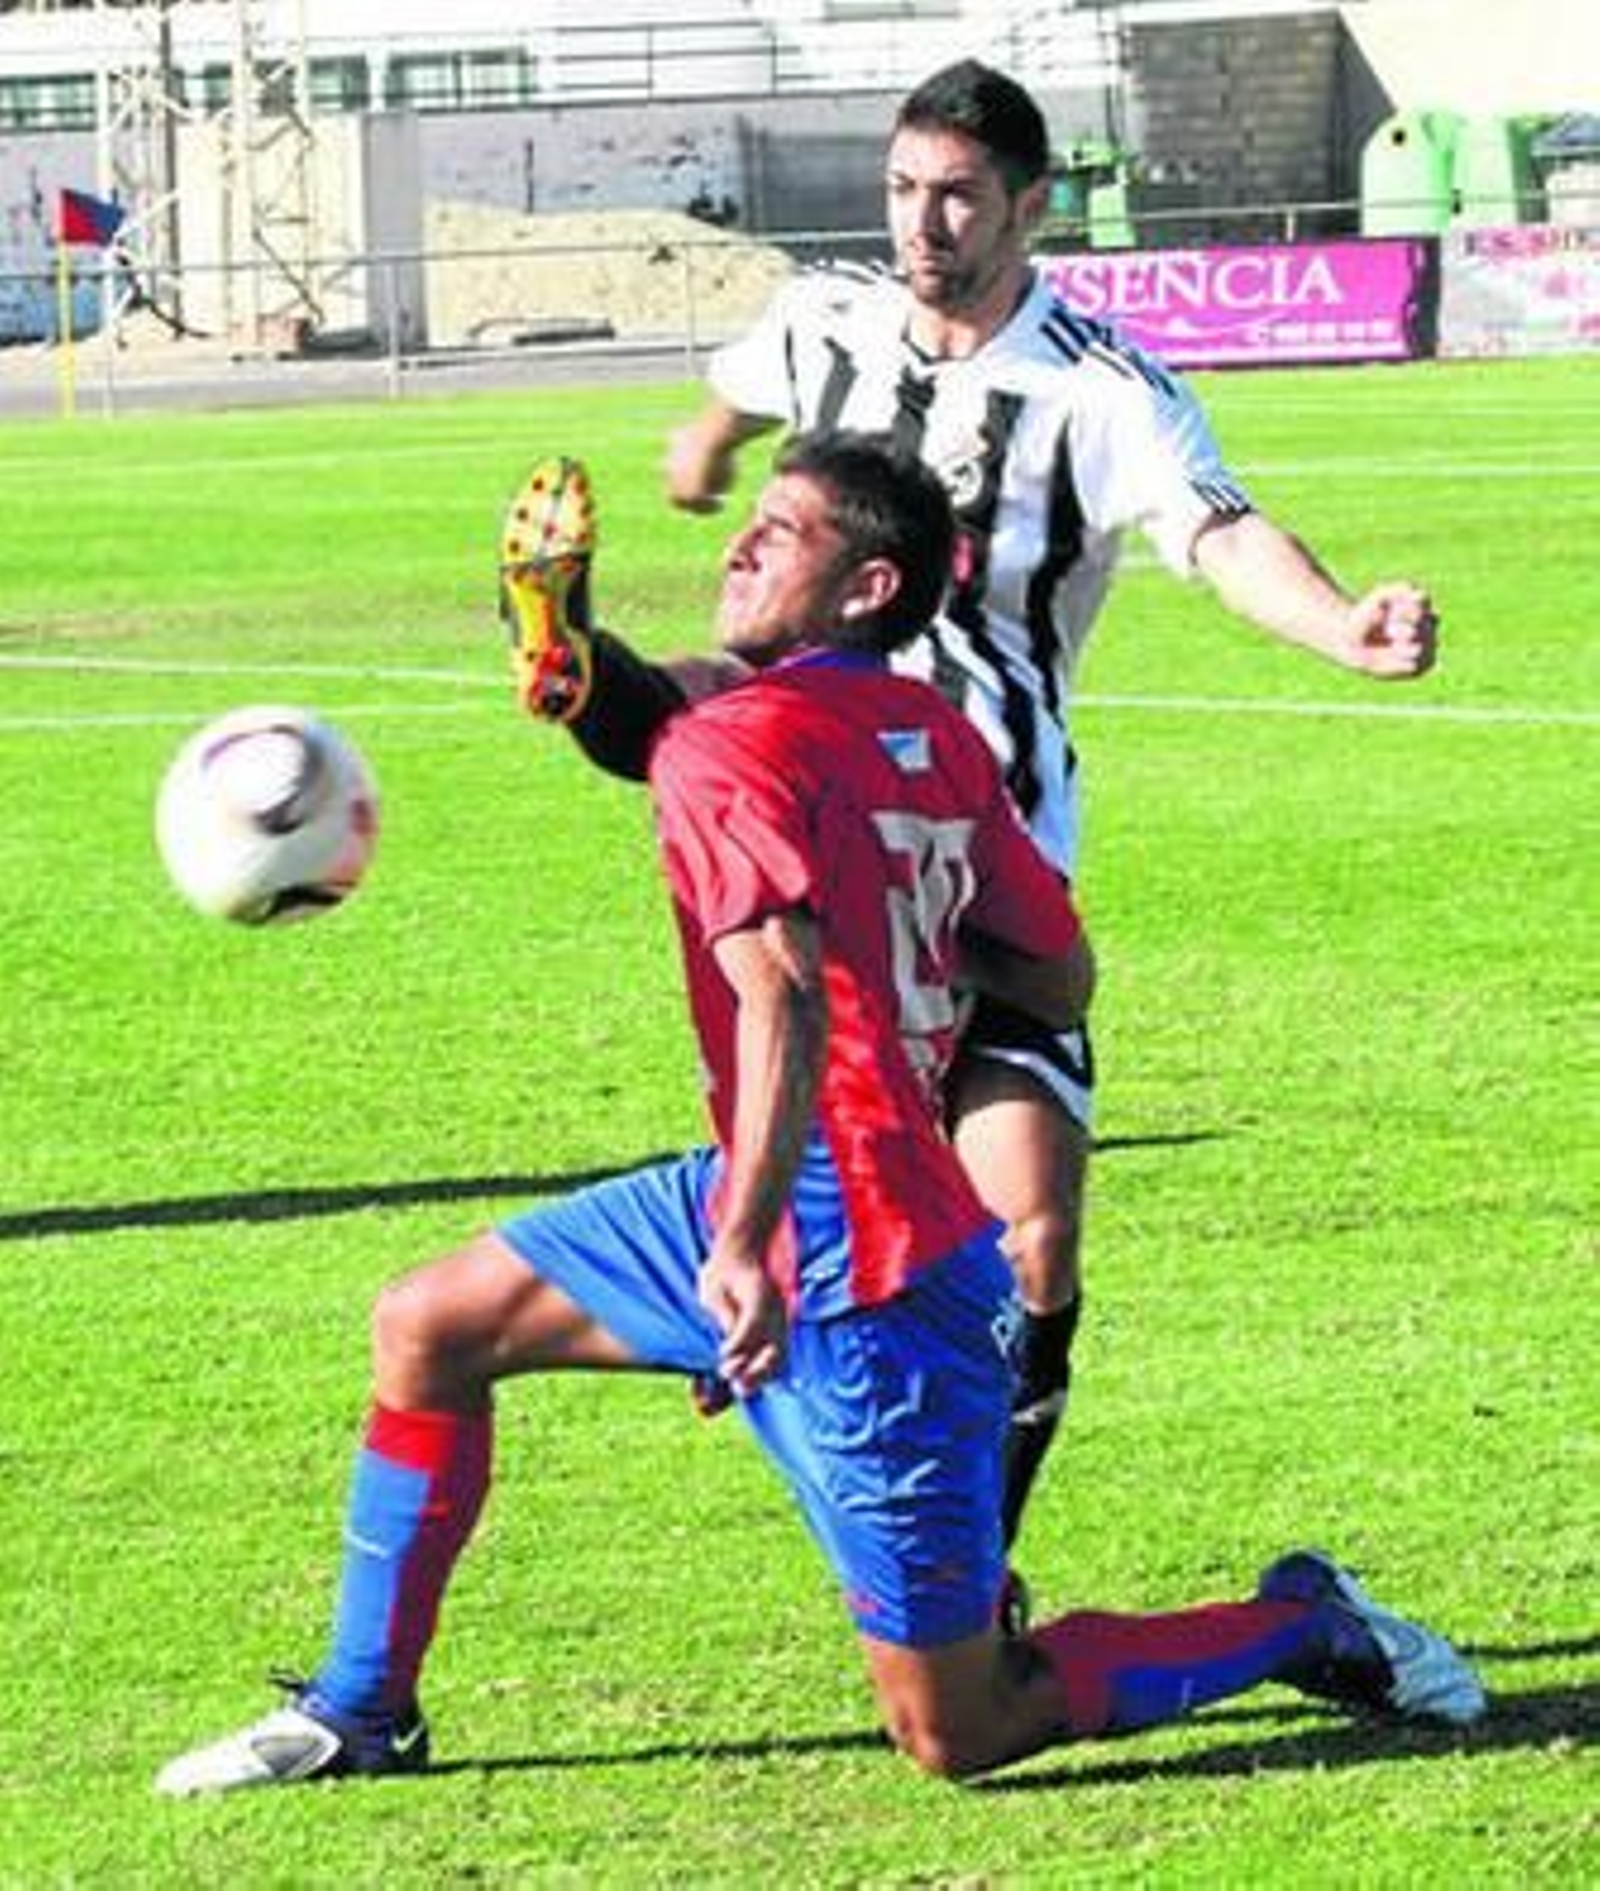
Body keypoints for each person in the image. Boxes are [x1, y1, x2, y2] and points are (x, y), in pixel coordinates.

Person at [158, 436, 1482, 1796]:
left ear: (868, 587)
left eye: (781, 531)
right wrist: (900, 956)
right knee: (429, 1325)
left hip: (866, 1272)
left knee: (960, 1729)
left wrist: (742, 1247)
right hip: (795, 1180)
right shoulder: (935, 738)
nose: (738, 543)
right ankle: (361, 1709)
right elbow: (1059, 976)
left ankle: (1303, 1623)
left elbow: (781, 993)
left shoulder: (723, 743)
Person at [514, 59, 1443, 1586]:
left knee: (1032, 1239)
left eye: (956, 196)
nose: (922, 224)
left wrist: (1343, 625)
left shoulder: (1099, 387)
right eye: (903, 190)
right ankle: (579, 669)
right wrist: (709, 444)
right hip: (825, 803)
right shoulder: (827, 319)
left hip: (982, 845)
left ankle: (973, 1568)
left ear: (1029, 206)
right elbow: (749, 377)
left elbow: (1218, 532)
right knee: (712, 703)